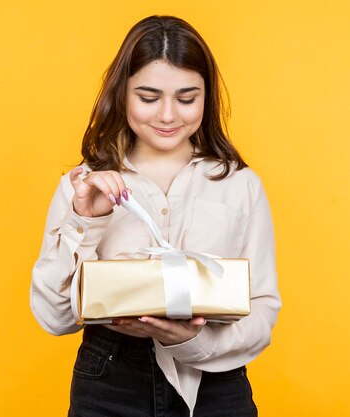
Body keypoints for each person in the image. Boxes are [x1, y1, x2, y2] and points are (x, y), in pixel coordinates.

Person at [30, 15, 281, 417]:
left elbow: (262, 309)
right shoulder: (84, 185)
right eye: (148, 98)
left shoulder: (240, 184)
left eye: (186, 98)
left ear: (207, 97)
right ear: (121, 94)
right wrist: (85, 219)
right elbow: (54, 317)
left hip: (217, 385)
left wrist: (191, 343)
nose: (168, 116)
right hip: (110, 379)